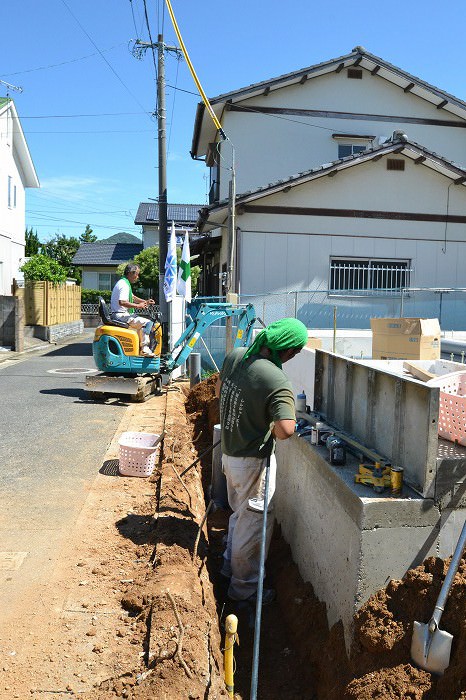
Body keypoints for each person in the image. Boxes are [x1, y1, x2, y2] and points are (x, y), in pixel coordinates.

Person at [215, 317, 308, 605]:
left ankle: (227, 568)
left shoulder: (236, 356)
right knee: (253, 526)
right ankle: (243, 593)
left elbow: (219, 392)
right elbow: (285, 430)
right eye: (296, 351)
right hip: (254, 462)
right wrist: (270, 421)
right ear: (288, 350)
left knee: (239, 515)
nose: (294, 357)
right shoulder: (276, 379)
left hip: (229, 454)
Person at [110, 263, 155, 356]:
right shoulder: (124, 285)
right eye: (137, 274)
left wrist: (145, 301)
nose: (137, 277)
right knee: (148, 323)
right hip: (121, 315)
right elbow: (122, 302)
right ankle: (145, 349)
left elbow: (132, 297)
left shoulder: (123, 282)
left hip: (119, 314)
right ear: (131, 273)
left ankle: (140, 347)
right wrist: (138, 306)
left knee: (142, 323)